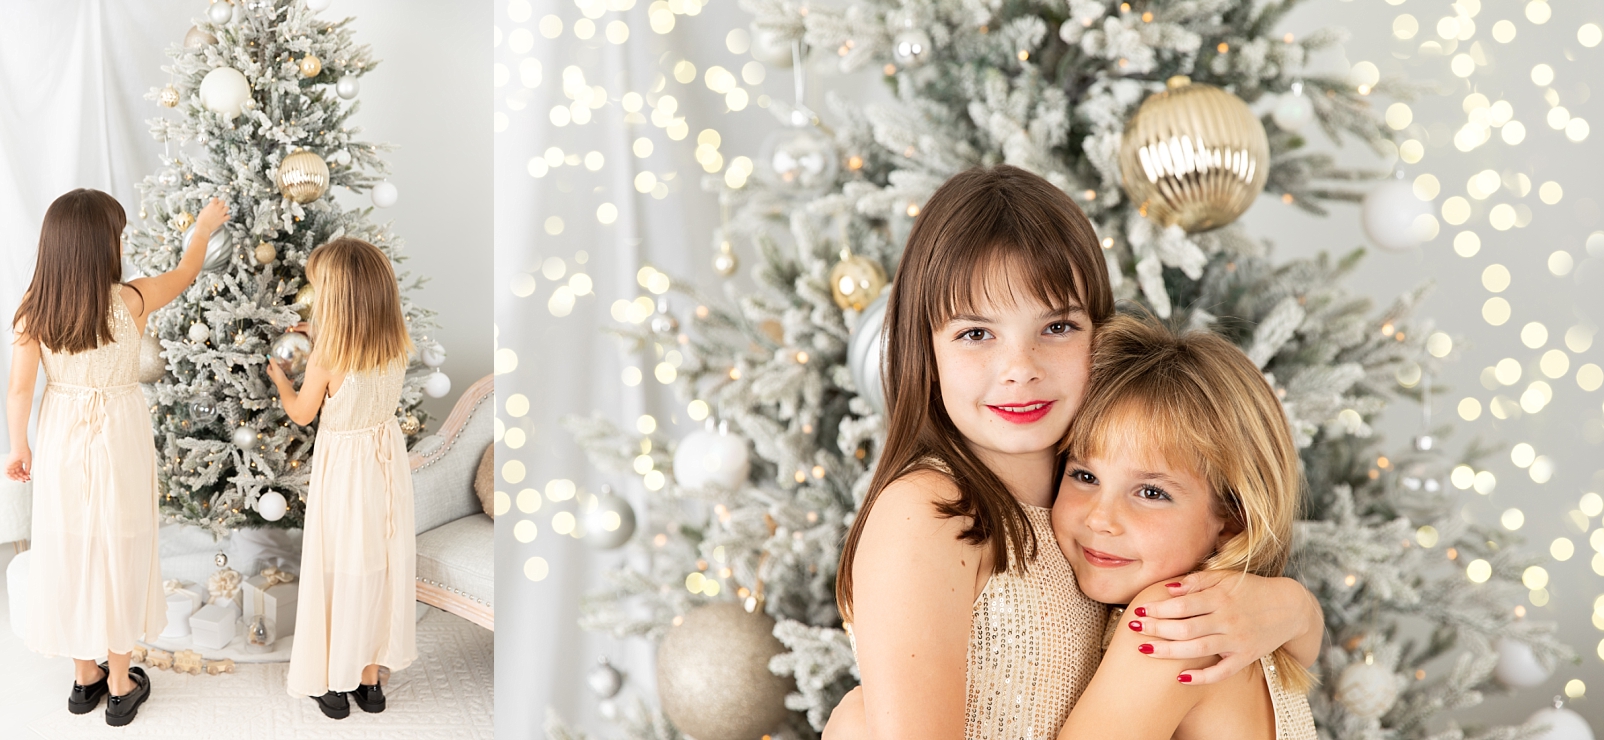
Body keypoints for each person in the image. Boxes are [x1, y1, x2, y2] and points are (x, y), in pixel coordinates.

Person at [827, 166, 1322, 740]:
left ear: (1098, 331)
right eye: (975, 333)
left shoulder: (1089, 516)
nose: (1020, 369)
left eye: (1057, 326)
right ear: (925, 348)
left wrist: (1295, 608)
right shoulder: (934, 511)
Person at [5, 189, 228, 726]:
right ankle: (123, 682)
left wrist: (19, 447)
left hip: (63, 434)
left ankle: (85, 680)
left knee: (70, 545)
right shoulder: (133, 298)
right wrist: (201, 229)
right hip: (121, 433)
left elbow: (18, 391)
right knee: (120, 545)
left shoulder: (34, 311)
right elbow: (187, 270)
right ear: (105, 246)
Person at [1051, 313, 1315, 739]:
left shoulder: (1177, 626)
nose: (1099, 518)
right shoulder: (1246, 622)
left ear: (1231, 520)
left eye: (1152, 493)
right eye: (1084, 476)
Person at [267, 237, 416, 720]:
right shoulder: (396, 344)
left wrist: (280, 382)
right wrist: (316, 329)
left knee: (337, 566)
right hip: (386, 466)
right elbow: (359, 336)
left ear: (335, 299)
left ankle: (333, 681)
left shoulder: (327, 357)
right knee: (378, 565)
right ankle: (370, 680)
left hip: (345, 473)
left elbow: (302, 413)